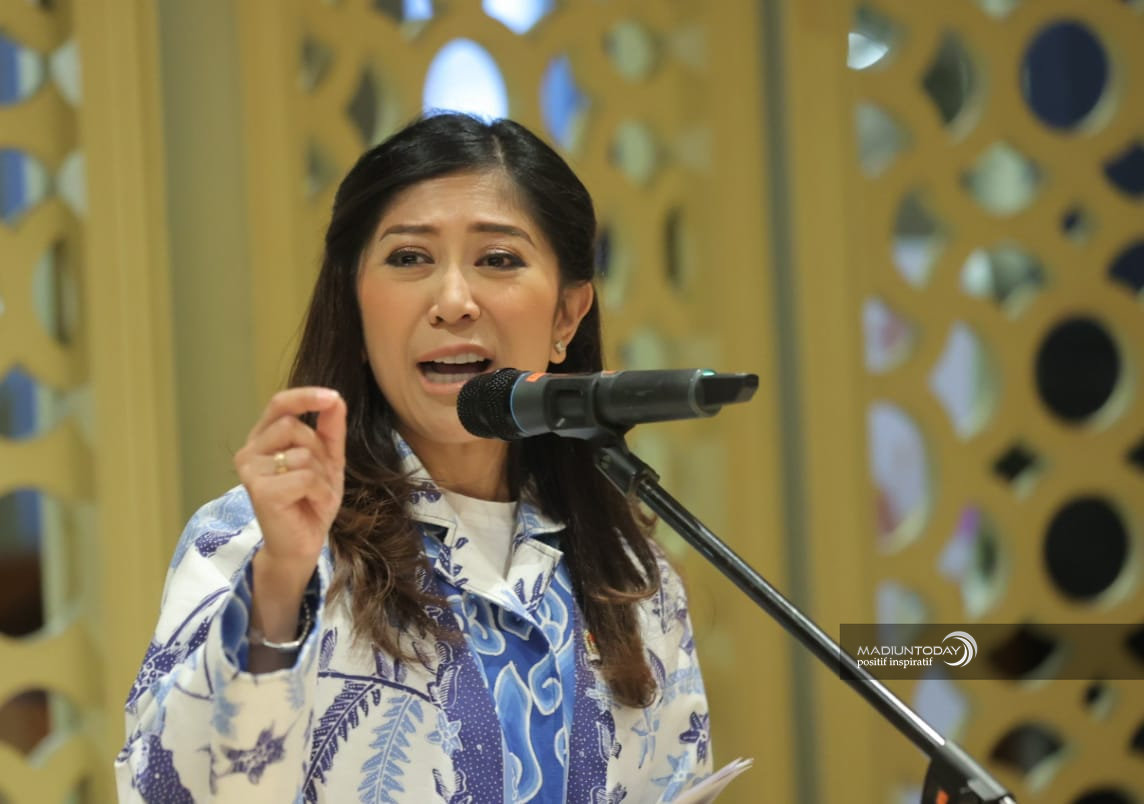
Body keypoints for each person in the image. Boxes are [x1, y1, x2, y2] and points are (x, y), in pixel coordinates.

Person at [115, 112, 711, 802]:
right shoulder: (257, 542)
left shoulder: (632, 577)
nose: (453, 301)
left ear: (566, 316)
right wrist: (279, 584)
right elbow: (168, 791)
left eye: (498, 259)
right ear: (354, 306)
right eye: (408, 258)